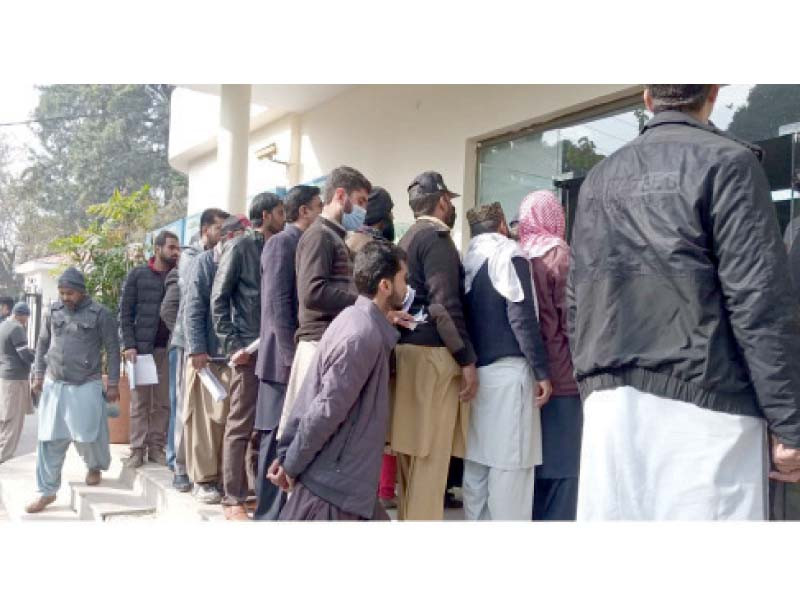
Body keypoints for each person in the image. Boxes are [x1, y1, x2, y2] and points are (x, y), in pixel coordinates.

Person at [568, 84, 800, 520]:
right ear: (713, 92)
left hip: (610, 410)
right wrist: (788, 422)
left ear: (646, 98)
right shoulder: (729, 163)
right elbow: (759, 301)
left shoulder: (600, 177)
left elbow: (576, 297)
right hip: (706, 410)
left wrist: (591, 386)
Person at [268, 240, 407, 520]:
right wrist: (290, 463)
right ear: (385, 286)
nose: (408, 287)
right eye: (404, 278)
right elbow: (324, 411)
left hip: (340, 484)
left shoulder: (355, 321)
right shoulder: (361, 335)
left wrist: (288, 456)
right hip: (332, 493)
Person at [389, 170, 479, 521]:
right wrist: (466, 359)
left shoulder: (407, 239)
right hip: (433, 359)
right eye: (450, 202)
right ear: (443, 201)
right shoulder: (438, 238)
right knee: (431, 459)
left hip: (407, 354)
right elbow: (445, 306)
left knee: (410, 460)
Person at [461, 202, 552, 520]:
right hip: (510, 374)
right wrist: (542, 371)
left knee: (478, 468)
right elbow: (521, 317)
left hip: (477, 378)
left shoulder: (469, 260)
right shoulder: (509, 254)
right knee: (511, 471)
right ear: (501, 224)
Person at [277, 166, 371, 437]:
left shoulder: (336, 237)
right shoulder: (319, 235)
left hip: (329, 344)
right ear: (341, 195)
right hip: (317, 344)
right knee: (307, 435)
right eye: (361, 201)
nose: (363, 210)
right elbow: (313, 292)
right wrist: (363, 304)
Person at [212, 193, 284, 520]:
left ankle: (256, 489)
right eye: (281, 212)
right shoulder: (241, 247)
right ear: (266, 214)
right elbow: (218, 299)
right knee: (240, 423)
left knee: (266, 425)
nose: (285, 217)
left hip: (274, 348)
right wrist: (233, 347)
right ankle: (232, 499)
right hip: (248, 350)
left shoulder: (281, 246)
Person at [253, 185, 323, 520]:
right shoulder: (282, 243)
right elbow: (278, 304)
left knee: (292, 440)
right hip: (281, 363)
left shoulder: (307, 243)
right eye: (318, 207)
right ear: (305, 211)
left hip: (297, 359)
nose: (322, 213)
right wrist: (288, 357)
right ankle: (267, 515)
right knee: (273, 440)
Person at [25, 268, 120, 513]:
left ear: (82, 291)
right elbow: (42, 344)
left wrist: (112, 385)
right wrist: (37, 373)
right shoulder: (53, 311)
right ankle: (46, 491)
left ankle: (94, 466)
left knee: (90, 436)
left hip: (86, 384)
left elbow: (112, 349)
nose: (65, 297)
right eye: (62, 292)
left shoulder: (101, 314)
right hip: (55, 383)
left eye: (70, 293)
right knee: (49, 439)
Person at [517, 191, 583, 521]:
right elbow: (571, 319)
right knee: (565, 469)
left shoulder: (518, 254)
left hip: (527, 374)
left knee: (535, 471)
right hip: (563, 376)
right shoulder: (558, 253)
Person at [160, 208, 229, 492]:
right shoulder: (191, 257)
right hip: (187, 344)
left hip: (207, 346)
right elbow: (192, 299)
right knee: (182, 408)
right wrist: (189, 339)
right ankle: (179, 466)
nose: (223, 235)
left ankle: (199, 467)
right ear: (205, 231)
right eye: (219, 229)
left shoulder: (222, 255)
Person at [184, 216, 247, 505]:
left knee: (231, 420)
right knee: (206, 422)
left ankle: (227, 478)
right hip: (207, 356)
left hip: (236, 355)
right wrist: (197, 350)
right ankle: (204, 479)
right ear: (227, 237)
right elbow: (194, 309)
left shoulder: (245, 259)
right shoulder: (205, 263)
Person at [119, 230, 180, 468]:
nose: (176, 252)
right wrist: (129, 345)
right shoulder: (138, 275)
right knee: (140, 402)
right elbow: (125, 312)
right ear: (158, 249)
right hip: (141, 350)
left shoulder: (178, 276)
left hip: (168, 348)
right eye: (171, 247)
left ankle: (156, 447)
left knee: (163, 401)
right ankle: (137, 449)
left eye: (177, 248)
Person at [0, 302, 35, 463]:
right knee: (14, 420)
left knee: (5, 418)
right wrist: (37, 357)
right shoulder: (16, 328)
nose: (26, 321)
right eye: (26, 317)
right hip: (15, 379)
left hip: (5, 377)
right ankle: (4, 457)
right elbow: (24, 356)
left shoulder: (3, 325)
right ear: (21, 315)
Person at [346, 186, 395, 254]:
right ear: (381, 215)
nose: (393, 217)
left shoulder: (346, 244)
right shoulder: (384, 250)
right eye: (389, 211)